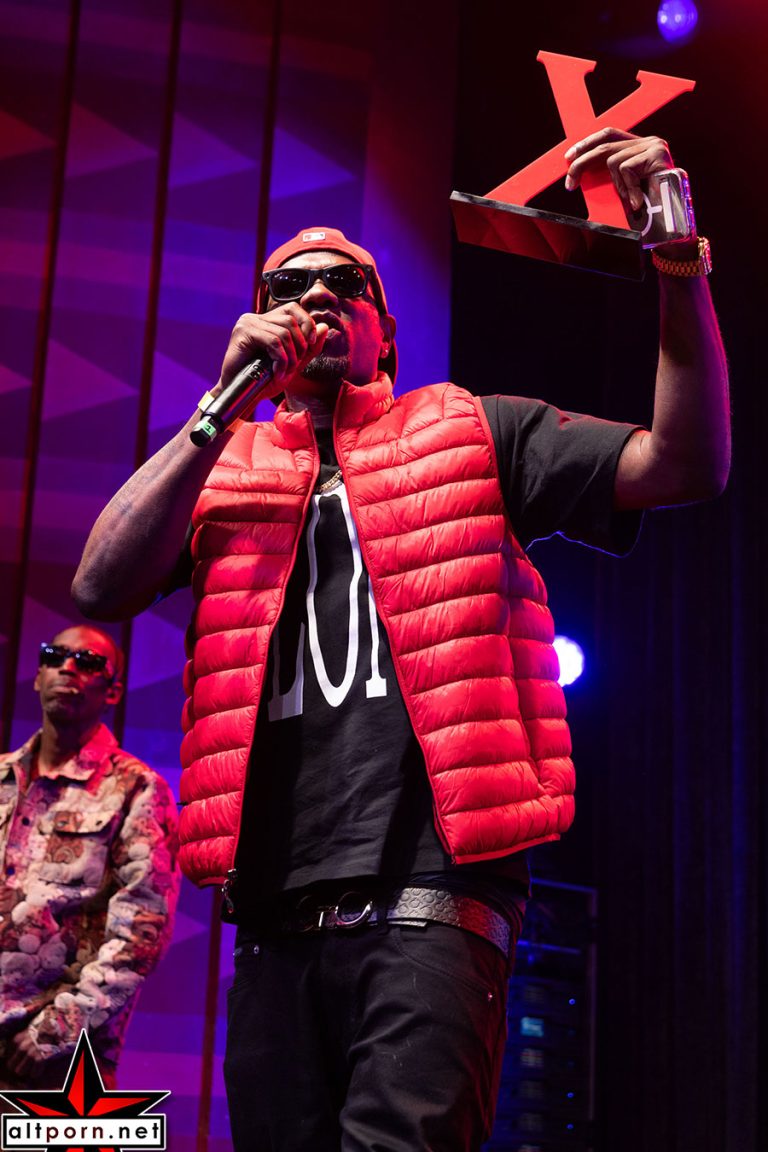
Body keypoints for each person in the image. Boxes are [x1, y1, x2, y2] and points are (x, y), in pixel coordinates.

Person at [72, 129, 729, 1150]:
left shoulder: (472, 429)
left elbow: (685, 462)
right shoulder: (225, 467)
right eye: (290, 285)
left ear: (385, 330)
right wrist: (218, 407)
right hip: (275, 918)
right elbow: (99, 583)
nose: (317, 295)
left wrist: (677, 258)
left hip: (435, 895)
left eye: (347, 284)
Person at [0, 625, 180, 1090]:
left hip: (52, 1057)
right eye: (54, 655)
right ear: (37, 676)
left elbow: (142, 930)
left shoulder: (137, 789)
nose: (67, 667)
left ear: (112, 690)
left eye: (88, 662)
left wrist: (59, 1028)